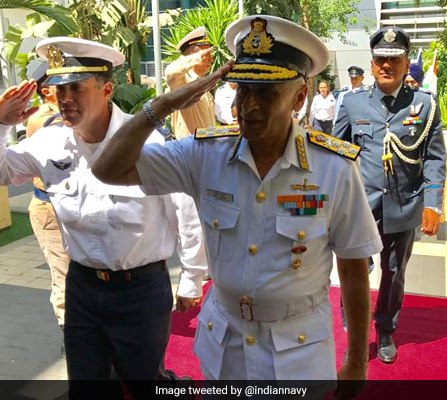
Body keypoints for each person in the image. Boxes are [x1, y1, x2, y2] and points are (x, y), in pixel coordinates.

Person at [92, 15, 383, 395]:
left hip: (297, 354)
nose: (249, 106)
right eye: (243, 90)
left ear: (299, 97)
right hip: (226, 346)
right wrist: (162, 105)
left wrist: (357, 363)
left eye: (266, 93)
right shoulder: (204, 154)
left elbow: (353, 266)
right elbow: (107, 169)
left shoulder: (333, 169)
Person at [0, 37, 207, 398]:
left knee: (146, 384)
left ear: (107, 89)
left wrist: (192, 277)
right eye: (59, 89)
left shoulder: (149, 144)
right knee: (88, 386)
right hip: (82, 287)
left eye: (77, 88)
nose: (65, 99)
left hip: (139, 289)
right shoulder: (50, 143)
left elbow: (186, 211)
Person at [332, 26, 446, 365]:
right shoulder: (352, 103)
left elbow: (435, 156)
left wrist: (432, 204)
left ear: (406, 62)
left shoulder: (423, 105)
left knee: (394, 273)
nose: (387, 65)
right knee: (355, 269)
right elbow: (337, 154)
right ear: (371, 63)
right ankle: (354, 324)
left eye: (394, 60)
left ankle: (385, 329)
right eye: (381, 59)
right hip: (360, 208)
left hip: (403, 206)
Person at [24, 61, 70, 353]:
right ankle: (72, 344)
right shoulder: (44, 118)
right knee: (64, 278)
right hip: (50, 209)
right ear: (46, 91)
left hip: (66, 207)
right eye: (62, 84)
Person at [165, 26, 215, 138]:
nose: (211, 59)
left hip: (206, 150)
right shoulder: (183, 82)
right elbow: (170, 73)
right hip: (188, 152)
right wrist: (193, 59)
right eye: (206, 55)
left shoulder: (201, 83)